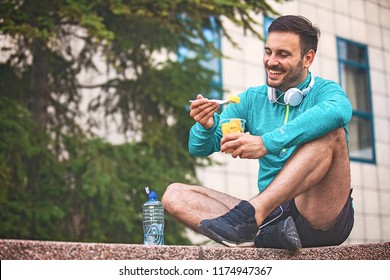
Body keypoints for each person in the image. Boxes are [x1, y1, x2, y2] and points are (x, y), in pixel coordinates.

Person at [162, 15, 354, 249]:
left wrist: (266, 142)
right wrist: (206, 126)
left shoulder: (325, 91)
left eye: (283, 54)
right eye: (268, 52)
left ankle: (254, 217)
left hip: (319, 213)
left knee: (331, 133)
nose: (271, 61)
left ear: (308, 58)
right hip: (273, 219)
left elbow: (339, 112)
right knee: (173, 195)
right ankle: (265, 235)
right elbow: (200, 147)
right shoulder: (251, 99)